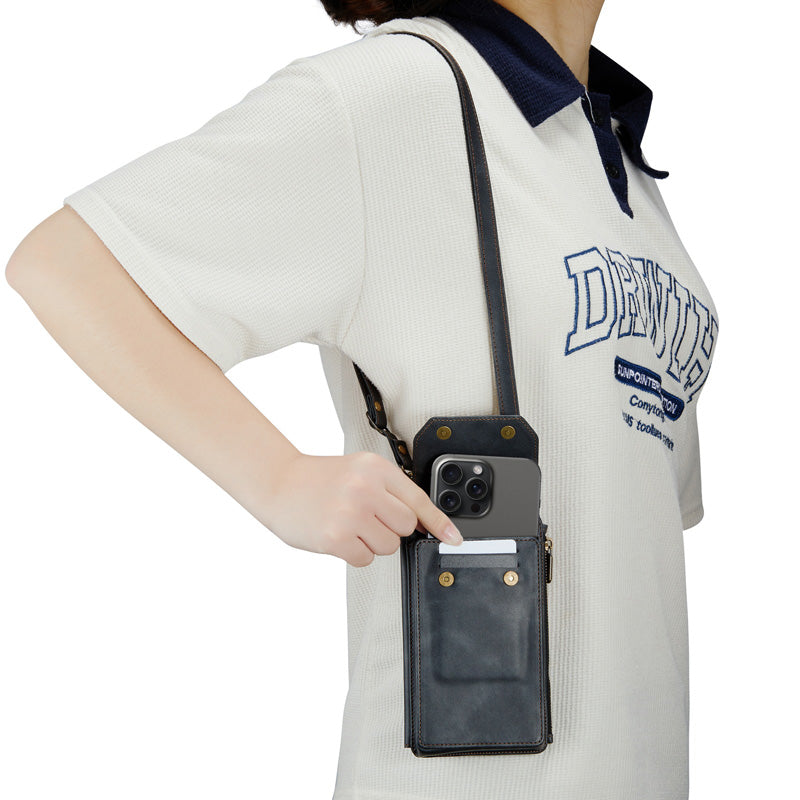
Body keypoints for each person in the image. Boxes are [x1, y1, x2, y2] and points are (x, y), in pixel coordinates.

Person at [5, 0, 720, 798]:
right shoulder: (392, 95)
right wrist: (278, 479)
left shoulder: (616, 156)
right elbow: (69, 265)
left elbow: (636, 532)